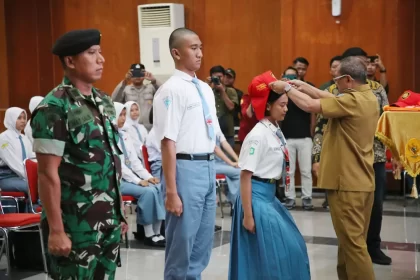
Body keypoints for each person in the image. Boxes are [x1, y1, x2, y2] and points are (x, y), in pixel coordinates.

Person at [30, 29, 128, 279]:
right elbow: (47, 173)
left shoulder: (104, 101)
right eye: (92, 53)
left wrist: (118, 214)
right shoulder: (53, 107)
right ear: (70, 61)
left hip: (109, 223)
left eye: (100, 52)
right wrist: (56, 230)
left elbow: (110, 159)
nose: (101, 59)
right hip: (76, 227)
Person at [271, 56, 378, 280]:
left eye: (337, 79)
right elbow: (330, 97)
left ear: (348, 80)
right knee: (349, 244)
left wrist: (287, 87)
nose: (334, 84)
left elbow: (310, 106)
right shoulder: (366, 96)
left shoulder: (353, 101)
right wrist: (304, 86)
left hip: (347, 184)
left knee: (355, 247)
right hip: (360, 182)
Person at [153, 27, 222, 280]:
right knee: (181, 243)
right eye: (193, 48)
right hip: (184, 169)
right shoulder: (170, 90)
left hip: (207, 166)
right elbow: (168, 142)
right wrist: (171, 191)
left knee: (202, 244)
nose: (200, 53)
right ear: (176, 52)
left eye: (200, 47)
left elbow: (210, 133)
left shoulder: (204, 88)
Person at [312, 47, 391, 265]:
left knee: (374, 210)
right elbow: (322, 125)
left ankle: (373, 247)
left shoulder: (374, 90)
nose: (364, 66)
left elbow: (387, 118)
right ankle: (361, 252)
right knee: (351, 231)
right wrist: (317, 157)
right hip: (349, 160)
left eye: (365, 62)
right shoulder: (340, 90)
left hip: (373, 156)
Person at [229, 71, 310, 280]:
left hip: (269, 196)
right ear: (267, 106)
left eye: (286, 104)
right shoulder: (257, 135)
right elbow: (245, 176)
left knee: (291, 247)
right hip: (255, 199)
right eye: (282, 105)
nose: (286, 109)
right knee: (276, 252)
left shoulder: (274, 128)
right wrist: (248, 215)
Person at [114, 102, 165, 247]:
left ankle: (158, 232)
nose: (123, 118)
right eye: (121, 115)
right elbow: (120, 166)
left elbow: (135, 162)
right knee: (147, 192)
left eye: (125, 115)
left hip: (130, 178)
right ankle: (148, 234)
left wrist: (148, 177)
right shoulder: (109, 137)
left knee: (157, 187)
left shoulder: (124, 136)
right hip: (117, 180)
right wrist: (138, 181)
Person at [280, 67, 314, 210]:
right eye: (287, 76)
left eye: (293, 76)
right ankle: (290, 197)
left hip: (305, 137)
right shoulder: (281, 93)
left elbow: (312, 113)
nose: (290, 79)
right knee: (289, 171)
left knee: (306, 170)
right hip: (287, 138)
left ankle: (307, 197)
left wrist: (311, 133)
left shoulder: (305, 89)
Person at [111, 63, 161, 131]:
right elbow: (114, 100)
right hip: (131, 129)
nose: (137, 76)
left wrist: (154, 80)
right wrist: (124, 82)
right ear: (130, 75)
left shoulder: (151, 88)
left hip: (150, 128)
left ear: (144, 74)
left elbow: (164, 94)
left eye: (140, 73)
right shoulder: (125, 89)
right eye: (135, 73)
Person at [0, 107, 31, 194]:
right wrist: (31, 178)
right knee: (35, 186)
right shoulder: (4, 138)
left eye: (24, 118)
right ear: (11, 119)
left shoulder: (24, 138)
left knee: (42, 184)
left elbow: (32, 158)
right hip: (6, 178)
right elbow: (15, 164)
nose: (23, 121)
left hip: (22, 177)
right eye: (19, 118)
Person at [214, 130, 240, 207]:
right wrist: (231, 163)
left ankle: (233, 200)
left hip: (221, 163)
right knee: (240, 172)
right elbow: (215, 149)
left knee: (241, 169)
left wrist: (238, 160)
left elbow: (225, 144)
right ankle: (235, 203)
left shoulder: (215, 125)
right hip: (211, 163)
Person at [145, 109, 162, 180]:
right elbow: (166, 151)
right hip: (158, 166)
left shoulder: (161, 130)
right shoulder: (154, 133)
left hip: (164, 163)